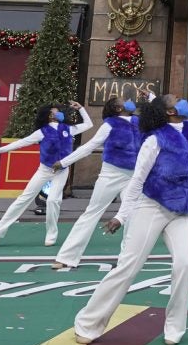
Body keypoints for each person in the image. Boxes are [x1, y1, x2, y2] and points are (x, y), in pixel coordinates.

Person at [72, 93, 188, 345]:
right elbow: (136, 181)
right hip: (152, 207)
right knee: (128, 268)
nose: (183, 102)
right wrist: (121, 216)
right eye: (176, 100)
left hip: (182, 212)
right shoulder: (155, 140)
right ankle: (88, 323)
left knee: (186, 265)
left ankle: (175, 326)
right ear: (169, 112)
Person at [51, 98, 142, 271]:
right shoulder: (110, 124)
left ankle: (126, 260)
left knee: (132, 215)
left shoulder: (139, 122)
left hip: (134, 176)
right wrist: (64, 162)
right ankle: (67, 257)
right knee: (92, 212)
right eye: (124, 101)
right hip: (111, 174)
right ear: (117, 108)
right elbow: (90, 146)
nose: (129, 101)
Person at [0, 101, 93, 247]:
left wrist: (81, 109)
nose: (59, 112)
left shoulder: (68, 129)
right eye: (56, 111)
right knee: (24, 198)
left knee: (53, 201)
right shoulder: (42, 132)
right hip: (44, 170)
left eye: (59, 110)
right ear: (50, 116)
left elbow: (88, 124)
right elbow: (22, 142)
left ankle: (51, 234)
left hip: (62, 171)